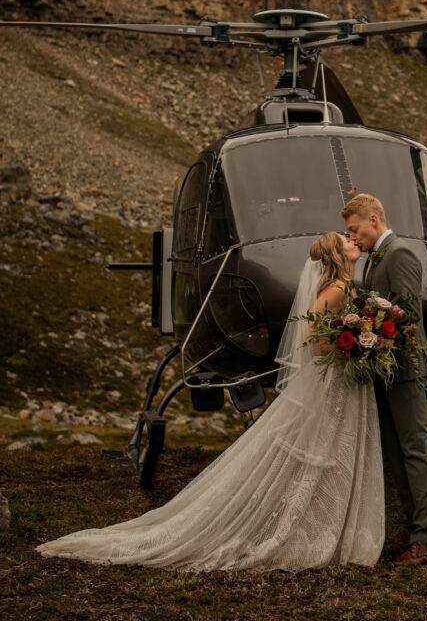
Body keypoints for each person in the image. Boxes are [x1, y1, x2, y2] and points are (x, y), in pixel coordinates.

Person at [36, 233, 384, 572]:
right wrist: (349, 346)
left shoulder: (346, 286)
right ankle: (317, 533)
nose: (353, 242)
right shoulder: (338, 288)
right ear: (337, 256)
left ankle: (324, 530)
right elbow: (311, 336)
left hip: (337, 381)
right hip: (331, 378)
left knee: (330, 454)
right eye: (346, 241)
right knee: (324, 454)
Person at [341, 193, 427, 565]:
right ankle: (415, 529)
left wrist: (370, 323)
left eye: (355, 230)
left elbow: (409, 313)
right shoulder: (375, 258)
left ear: (374, 220)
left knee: (415, 449)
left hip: (405, 368)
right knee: (396, 453)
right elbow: (378, 304)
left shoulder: (399, 253)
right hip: (385, 367)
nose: (352, 238)